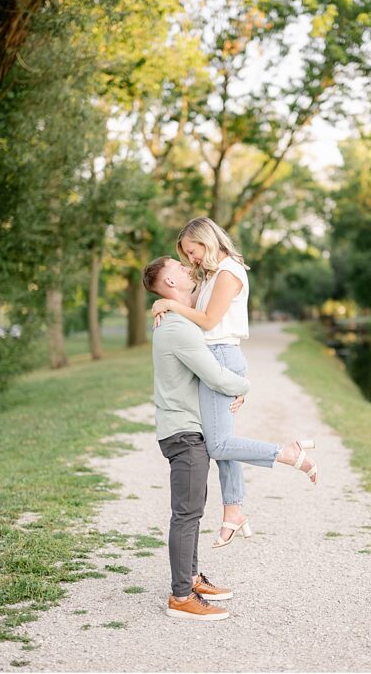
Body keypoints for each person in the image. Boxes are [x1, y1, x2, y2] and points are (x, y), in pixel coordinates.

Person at [151, 218, 317, 548]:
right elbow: (190, 306)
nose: (190, 259)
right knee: (221, 439)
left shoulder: (228, 273)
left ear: (205, 240)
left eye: (191, 250)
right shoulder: (213, 274)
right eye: (185, 255)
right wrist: (164, 300)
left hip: (221, 356)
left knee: (219, 444)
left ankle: (289, 453)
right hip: (213, 356)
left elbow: (209, 320)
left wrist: (168, 303)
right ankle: (233, 510)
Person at [142, 255, 251, 620]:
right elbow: (216, 376)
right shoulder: (177, 328)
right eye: (179, 266)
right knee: (186, 514)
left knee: (192, 510)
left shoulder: (176, 320)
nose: (188, 267)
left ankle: (190, 577)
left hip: (189, 429)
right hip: (184, 433)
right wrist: (244, 385)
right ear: (170, 283)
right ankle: (180, 597)